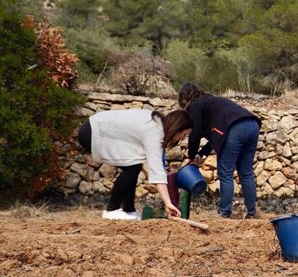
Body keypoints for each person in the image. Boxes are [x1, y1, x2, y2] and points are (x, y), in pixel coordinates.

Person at [77, 109, 192, 220]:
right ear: (177, 128)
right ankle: (112, 210)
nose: (183, 138)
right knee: (132, 168)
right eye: (184, 134)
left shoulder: (157, 123)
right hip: (95, 131)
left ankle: (128, 210)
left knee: (134, 165)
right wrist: (168, 203)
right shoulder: (154, 132)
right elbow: (156, 170)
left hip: (95, 126)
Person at [177, 83, 262, 219]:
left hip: (235, 128)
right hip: (252, 124)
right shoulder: (211, 103)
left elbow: (195, 133)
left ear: (185, 100)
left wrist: (191, 156)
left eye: (183, 106)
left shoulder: (195, 105)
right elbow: (214, 137)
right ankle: (252, 213)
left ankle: (224, 213)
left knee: (225, 173)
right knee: (246, 173)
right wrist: (201, 154)